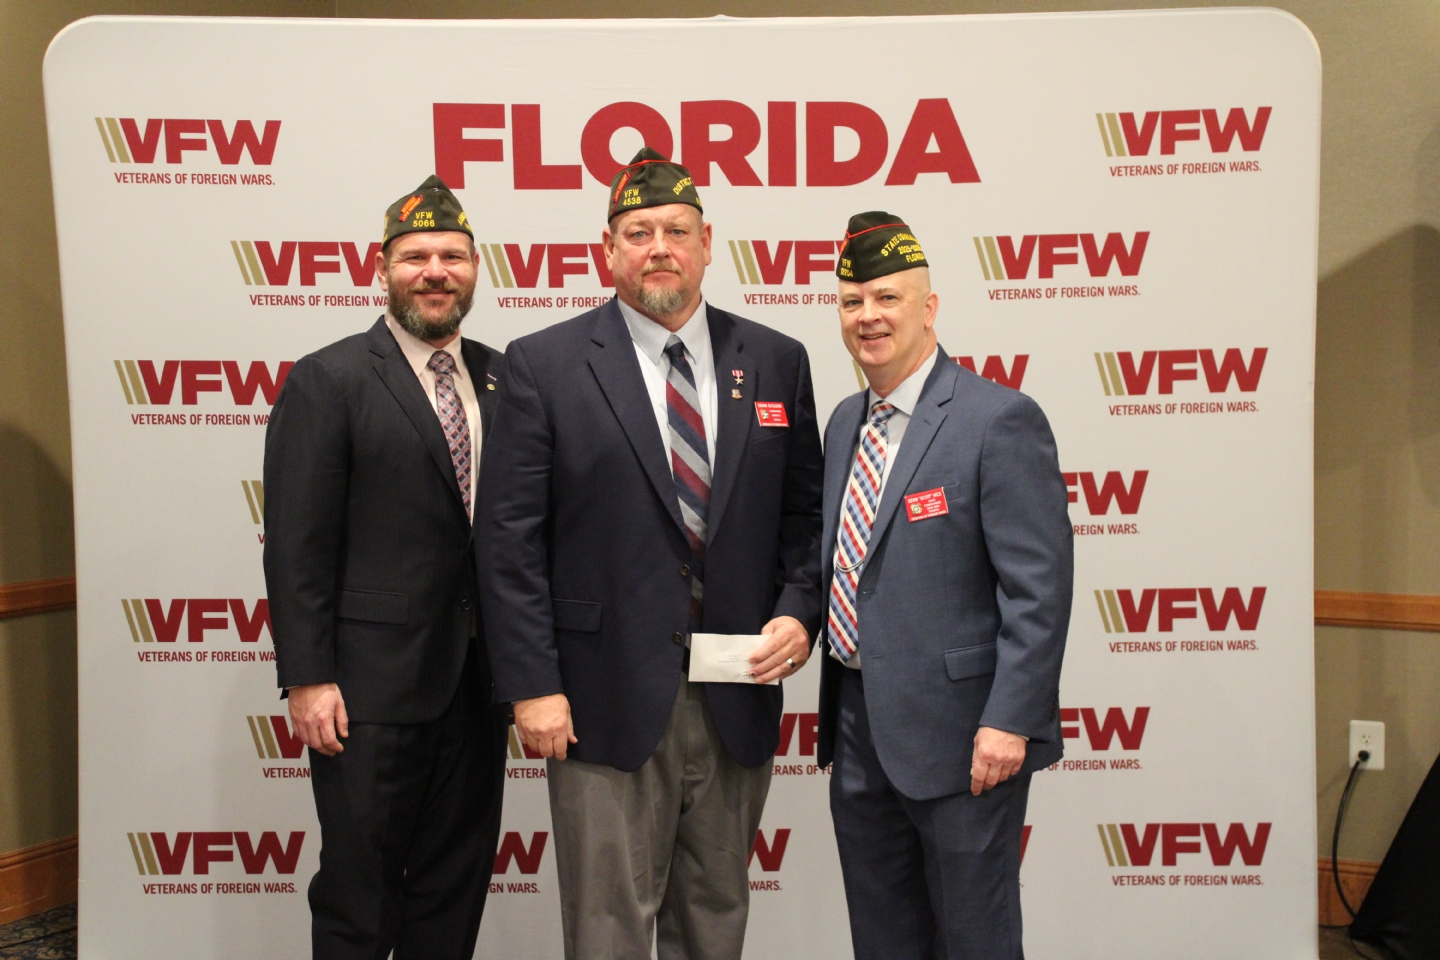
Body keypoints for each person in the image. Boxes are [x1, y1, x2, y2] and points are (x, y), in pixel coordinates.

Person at [475, 147, 824, 960]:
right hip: (600, 697)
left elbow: (805, 520)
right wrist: (533, 686)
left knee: (715, 920)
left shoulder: (776, 360)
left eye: (676, 230)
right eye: (638, 233)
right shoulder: (544, 364)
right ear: (608, 250)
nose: (658, 247)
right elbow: (508, 542)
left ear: (708, 243)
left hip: (737, 691)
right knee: (609, 927)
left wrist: (800, 612)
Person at [263, 175, 508, 960]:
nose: (435, 272)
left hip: (479, 690)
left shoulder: (504, 378)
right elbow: (295, 544)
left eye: (452, 256)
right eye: (415, 257)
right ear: (382, 269)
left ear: (476, 268)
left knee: (454, 893)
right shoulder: (329, 379)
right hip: (365, 697)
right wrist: (308, 678)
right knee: (358, 898)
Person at [816, 212, 1073, 960]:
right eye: (852, 301)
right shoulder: (843, 423)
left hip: (968, 740)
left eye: (887, 298)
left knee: (974, 940)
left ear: (929, 308)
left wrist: (1009, 721)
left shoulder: (999, 420)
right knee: (882, 940)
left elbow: (1038, 592)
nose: (868, 316)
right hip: (859, 729)